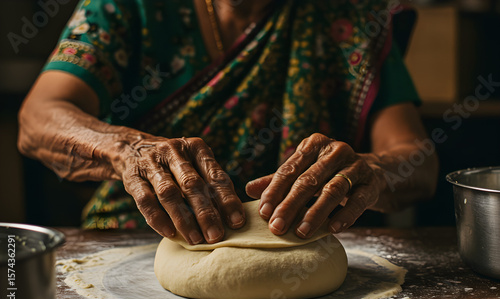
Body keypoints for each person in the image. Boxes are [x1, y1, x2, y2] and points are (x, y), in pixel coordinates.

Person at [18, 0, 438, 245]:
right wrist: (128, 150)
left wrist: (370, 172)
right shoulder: (130, 8)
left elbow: (419, 162)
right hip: (142, 239)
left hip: (298, 241)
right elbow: (39, 117)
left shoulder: (346, 14)